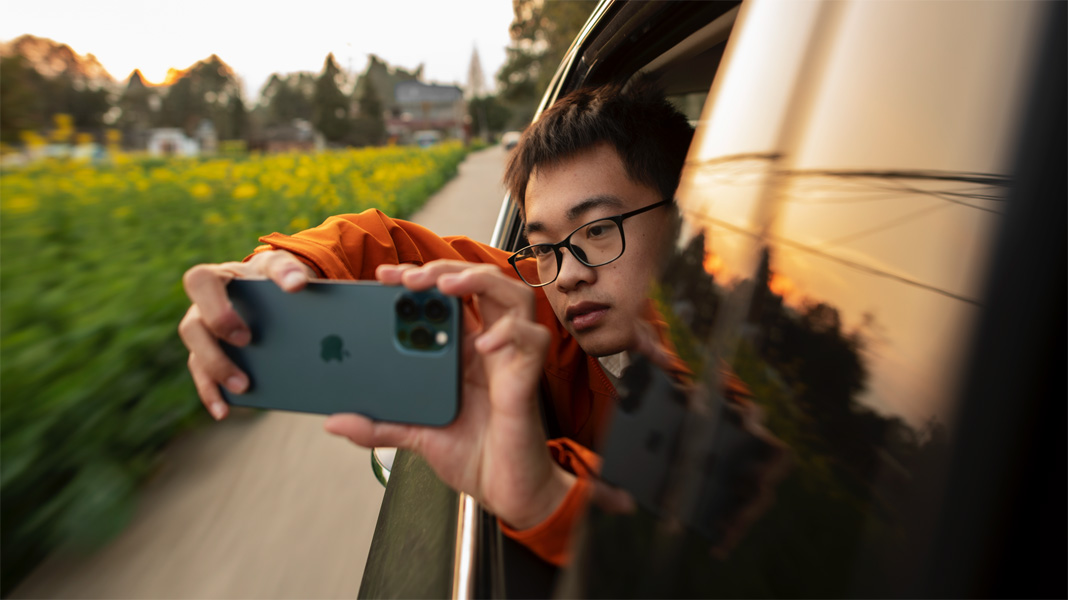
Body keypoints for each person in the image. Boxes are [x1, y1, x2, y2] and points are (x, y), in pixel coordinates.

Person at [178, 80, 694, 566]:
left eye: (598, 230)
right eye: (542, 247)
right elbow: (389, 247)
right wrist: (279, 273)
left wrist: (547, 496)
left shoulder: (734, 372)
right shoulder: (530, 312)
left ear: (689, 216)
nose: (567, 275)